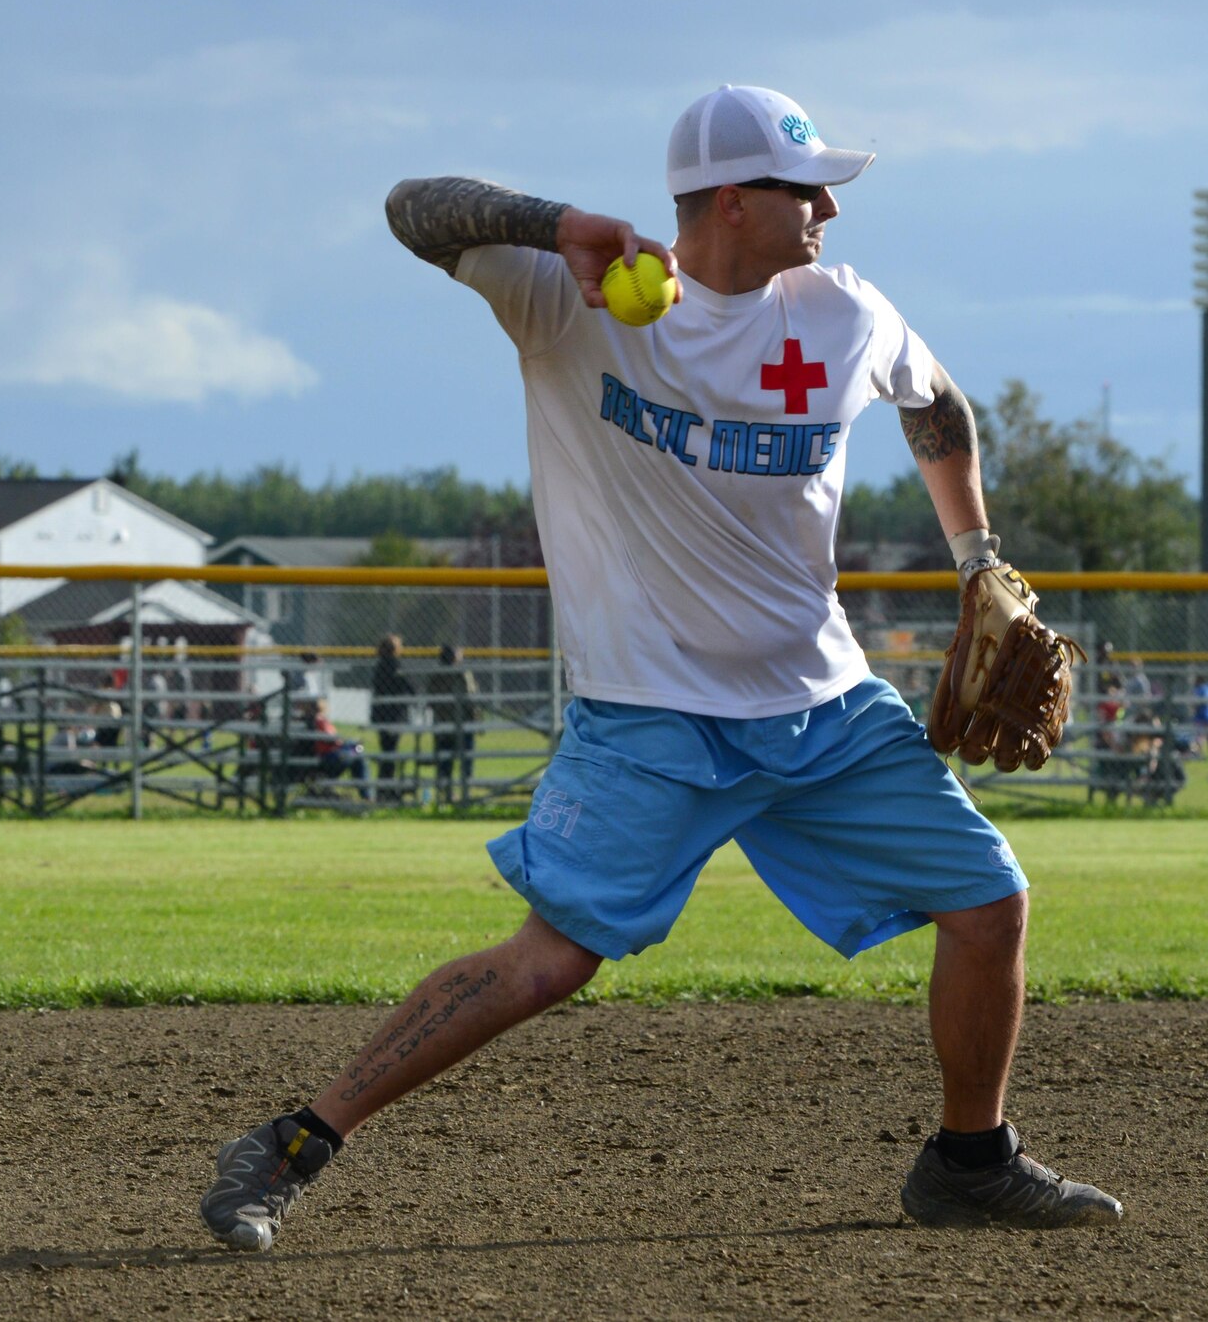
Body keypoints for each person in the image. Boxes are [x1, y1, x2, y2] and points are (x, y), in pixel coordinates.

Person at [199, 84, 1120, 1252]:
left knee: (990, 904)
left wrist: (976, 554)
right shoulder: (571, 301)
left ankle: (968, 1161)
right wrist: (555, 221)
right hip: (649, 717)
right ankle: (288, 1144)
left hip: (823, 709)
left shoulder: (841, 310)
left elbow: (935, 403)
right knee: (545, 962)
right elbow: (409, 206)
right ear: (731, 202)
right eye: (805, 187)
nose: (829, 204)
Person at [422, 644, 477, 802]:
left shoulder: (436, 674)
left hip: (442, 723)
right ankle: (463, 792)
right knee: (465, 759)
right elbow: (470, 697)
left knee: (445, 760)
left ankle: (445, 792)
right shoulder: (462, 673)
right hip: (462, 724)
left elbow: (430, 699)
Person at [370, 634, 415, 802]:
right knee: (391, 752)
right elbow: (410, 688)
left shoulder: (379, 666)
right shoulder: (396, 666)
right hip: (394, 716)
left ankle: (384, 788)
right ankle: (386, 790)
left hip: (381, 715)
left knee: (387, 750)